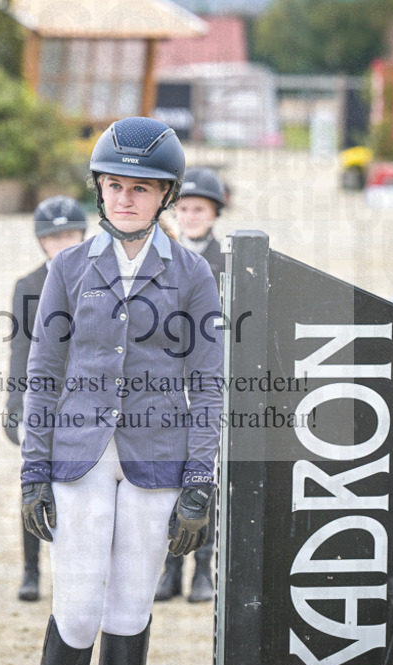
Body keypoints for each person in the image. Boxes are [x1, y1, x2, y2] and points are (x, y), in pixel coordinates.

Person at [20, 117, 224, 665]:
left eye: (140, 188)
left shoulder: (193, 273)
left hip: (157, 456)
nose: (125, 198)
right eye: (114, 185)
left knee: (131, 612)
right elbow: (43, 372)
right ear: (99, 187)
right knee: (78, 610)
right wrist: (33, 466)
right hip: (79, 453)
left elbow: (207, 380)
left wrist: (200, 480)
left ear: (166, 194)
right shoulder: (67, 267)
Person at [4, 195, 88, 602]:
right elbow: (19, 349)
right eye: (55, 237)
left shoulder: (95, 280)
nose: (63, 243)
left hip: (83, 402)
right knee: (34, 480)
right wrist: (13, 403)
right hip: (42, 400)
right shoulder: (28, 286)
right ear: (42, 242)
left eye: (71, 235)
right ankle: (30, 570)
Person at [153, 165, 227, 604]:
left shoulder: (227, 261)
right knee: (168, 475)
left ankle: (203, 568)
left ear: (214, 213)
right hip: (169, 379)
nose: (191, 215)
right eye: (184, 207)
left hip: (210, 379)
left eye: (199, 208)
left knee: (205, 474)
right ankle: (170, 568)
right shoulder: (165, 257)